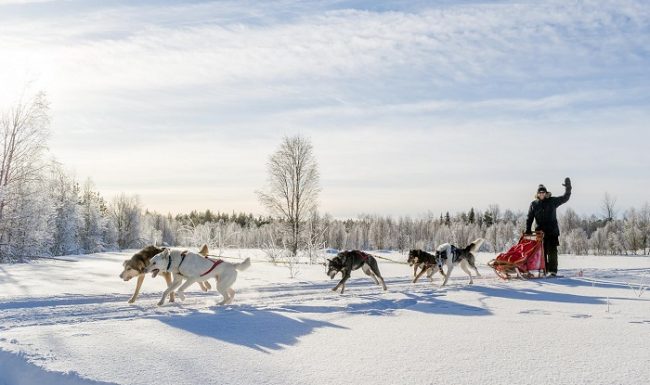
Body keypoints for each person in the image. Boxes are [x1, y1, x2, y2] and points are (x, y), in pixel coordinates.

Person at [525, 177, 572, 277]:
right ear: (537, 194)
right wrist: (528, 229)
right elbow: (529, 218)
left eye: (543, 192)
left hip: (552, 231)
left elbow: (565, 198)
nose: (542, 194)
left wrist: (568, 188)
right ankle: (544, 270)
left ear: (546, 193)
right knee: (542, 253)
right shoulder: (534, 204)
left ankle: (553, 271)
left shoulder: (552, 201)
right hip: (540, 233)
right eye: (540, 193)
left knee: (552, 251)